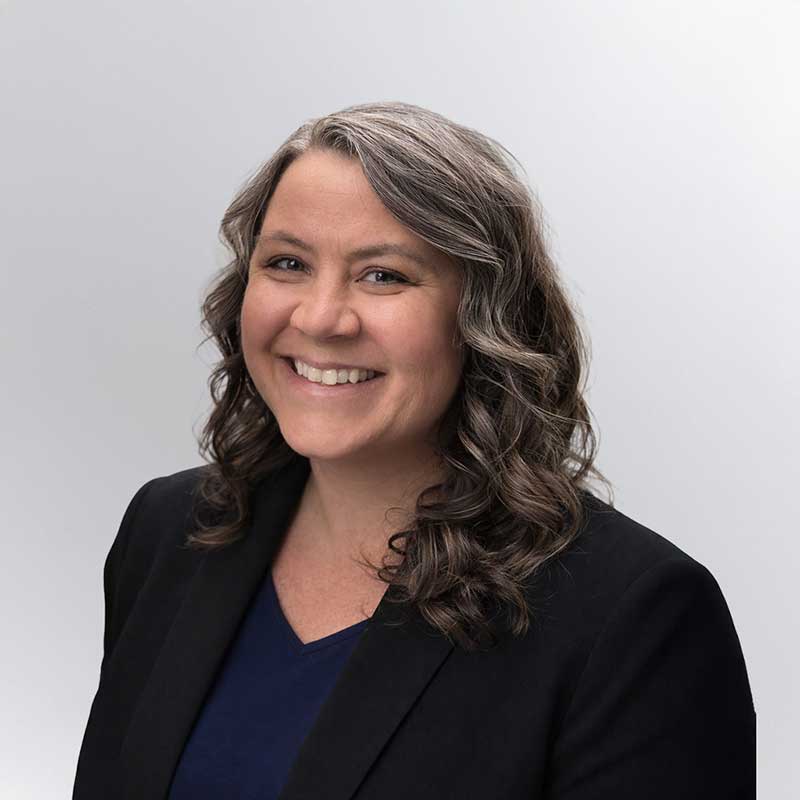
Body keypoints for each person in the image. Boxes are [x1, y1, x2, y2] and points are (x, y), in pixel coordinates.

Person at [72, 101, 755, 800]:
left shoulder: (634, 617)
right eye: (286, 263)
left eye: (384, 276)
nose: (320, 318)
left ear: (483, 316)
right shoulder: (170, 530)